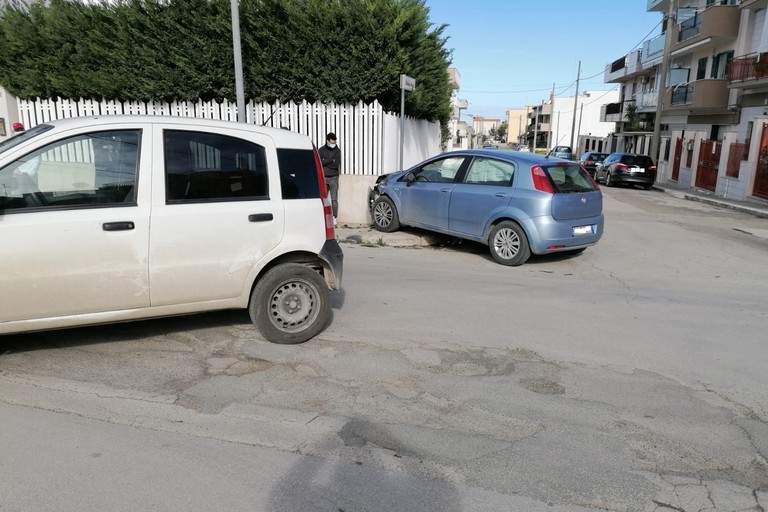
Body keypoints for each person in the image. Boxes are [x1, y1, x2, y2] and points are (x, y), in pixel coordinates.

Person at [318, 132, 341, 217]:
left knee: (334, 200)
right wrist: (331, 160)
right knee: (322, 199)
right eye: (332, 142)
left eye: (334, 143)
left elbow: (335, 165)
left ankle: (335, 217)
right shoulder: (321, 150)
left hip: (333, 178)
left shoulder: (337, 151)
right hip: (323, 177)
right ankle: (322, 217)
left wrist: (325, 161)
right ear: (327, 141)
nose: (333, 144)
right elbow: (320, 163)